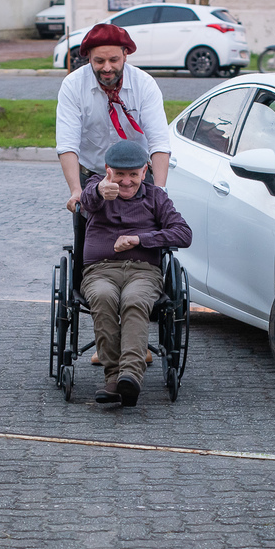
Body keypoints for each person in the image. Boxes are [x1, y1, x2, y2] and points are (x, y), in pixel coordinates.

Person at [80, 140, 191, 407]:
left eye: (133, 174)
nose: (126, 181)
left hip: (143, 272)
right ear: (108, 171)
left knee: (134, 300)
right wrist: (99, 190)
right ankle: (113, 377)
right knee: (104, 297)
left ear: (145, 172)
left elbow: (183, 233)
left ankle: (130, 376)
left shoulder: (155, 197)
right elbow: (85, 200)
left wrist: (139, 239)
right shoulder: (99, 188)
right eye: (119, 174)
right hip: (100, 271)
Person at [55, 23, 170, 214]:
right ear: (89, 57)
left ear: (125, 55)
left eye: (114, 60)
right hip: (93, 175)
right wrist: (76, 190)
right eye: (99, 61)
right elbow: (67, 144)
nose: (107, 67)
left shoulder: (145, 84)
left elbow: (159, 142)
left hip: (136, 177)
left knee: (145, 235)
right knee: (90, 237)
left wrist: (160, 190)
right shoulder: (73, 85)